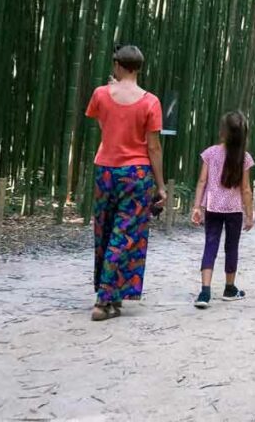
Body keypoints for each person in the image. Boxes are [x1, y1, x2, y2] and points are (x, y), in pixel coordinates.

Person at [84, 45, 166, 321]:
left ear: (118, 66)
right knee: (125, 235)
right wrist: (161, 186)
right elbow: (154, 148)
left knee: (105, 232)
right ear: (139, 68)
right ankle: (103, 299)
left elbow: (104, 127)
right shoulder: (150, 102)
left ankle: (112, 295)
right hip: (137, 174)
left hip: (105, 170)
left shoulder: (100, 94)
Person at [191, 110, 255, 308]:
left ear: (223, 132)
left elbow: (202, 181)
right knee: (231, 248)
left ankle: (205, 292)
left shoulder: (211, 153)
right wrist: (249, 214)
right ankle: (229, 288)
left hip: (213, 208)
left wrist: (197, 207)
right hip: (234, 211)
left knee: (210, 246)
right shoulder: (244, 157)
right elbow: (245, 189)